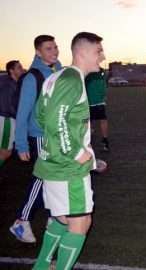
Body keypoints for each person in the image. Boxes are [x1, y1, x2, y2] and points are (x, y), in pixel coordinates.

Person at [32, 31, 104, 270]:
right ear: (82, 52)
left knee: (62, 219)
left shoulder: (57, 76)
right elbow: (55, 120)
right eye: (98, 51)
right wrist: (75, 152)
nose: (101, 57)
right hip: (68, 168)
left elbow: (41, 116)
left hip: (53, 163)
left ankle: (42, 267)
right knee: (81, 222)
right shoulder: (71, 80)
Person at [10, 35, 62, 243]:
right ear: (38, 52)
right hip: (40, 135)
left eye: (55, 47)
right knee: (42, 178)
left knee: (55, 179)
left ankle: (53, 218)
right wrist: (21, 144)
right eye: (48, 49)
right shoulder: (33, 77)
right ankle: (21, 222)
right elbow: (23, 113)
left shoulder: (59, 71)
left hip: (57, 135)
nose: (54, 51)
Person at [0, 60, 25, 167]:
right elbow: (7, 106)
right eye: (19, 67)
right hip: (7, 120)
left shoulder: (11, 82)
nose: (23, 69)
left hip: (6, 119)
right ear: (11, 71)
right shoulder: (9, 86)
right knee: (5, 152)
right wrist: (21, 117)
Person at [85, 67, 110, 151]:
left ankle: (89, 142)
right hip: (99, 102)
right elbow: (104, 87)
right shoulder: (100, 71)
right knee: (102, 120)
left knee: (89, 122)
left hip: (90, 102)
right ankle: (105, 140)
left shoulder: (87, 72)